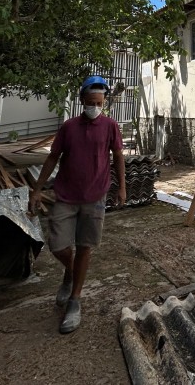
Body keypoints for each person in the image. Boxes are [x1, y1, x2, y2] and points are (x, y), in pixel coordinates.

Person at [28, 75, 126, 334]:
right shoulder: (69, 127)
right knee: (58, 245)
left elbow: (118, 156)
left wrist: (122, 188)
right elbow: (52, 157)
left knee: (85, 246)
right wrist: (37, 189)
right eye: (91, 102)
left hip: (95, 197)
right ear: (82, 100)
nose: (95, 107)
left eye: (99, 103)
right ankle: (70, 272)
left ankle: (75, 299)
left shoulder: (110, 126)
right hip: (66, 196)